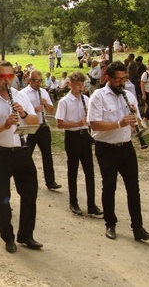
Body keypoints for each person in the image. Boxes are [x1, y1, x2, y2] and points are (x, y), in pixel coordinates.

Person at [0, 60, 42, 253]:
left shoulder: (21, 96)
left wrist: (22, 112)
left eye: (10, 76)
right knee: (3, 198)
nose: (7, 80)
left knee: (30, 194)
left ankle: (26, 235)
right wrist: (4, 126)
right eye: (3, 76)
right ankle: (8, 237)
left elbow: (34, 121)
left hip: (22, 151)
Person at [88, 61, 149, 242]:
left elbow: (137, 125)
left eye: (124, 79)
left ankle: (138, 228)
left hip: (126, 147)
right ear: (108, 78)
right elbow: (94, 124)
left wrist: (136, 123)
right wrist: (120, 123)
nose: (121, 83)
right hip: (106, 148)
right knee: (109, 187)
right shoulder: (98, 96)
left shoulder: (129, 96)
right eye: (118, 79)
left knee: (134, 188)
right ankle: (110, 223)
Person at [55, 72, 102, 216]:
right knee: (73, 170)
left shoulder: (86, 99)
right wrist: (77, 123)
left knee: (89, 171)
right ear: (71, 85)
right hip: (72, 137)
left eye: (82, 85)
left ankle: (91, 204)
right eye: (78, 85)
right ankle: (73, 202)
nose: (81, 87)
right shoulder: (65, 101)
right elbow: (59, 124)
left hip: (84, 137)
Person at [21, 70, 61, 190]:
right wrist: (33, 109)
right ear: (30, 80)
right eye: (36, 80)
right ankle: (26, 180)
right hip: (30, 127)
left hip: (43, 126)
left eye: (40, 80)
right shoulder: (23, 93)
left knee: (47, 155)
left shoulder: (43, 92)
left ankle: (50, 181)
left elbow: (51, 111)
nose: (38, 83)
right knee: (27, 154)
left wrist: (46, 105)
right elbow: (20, 112)